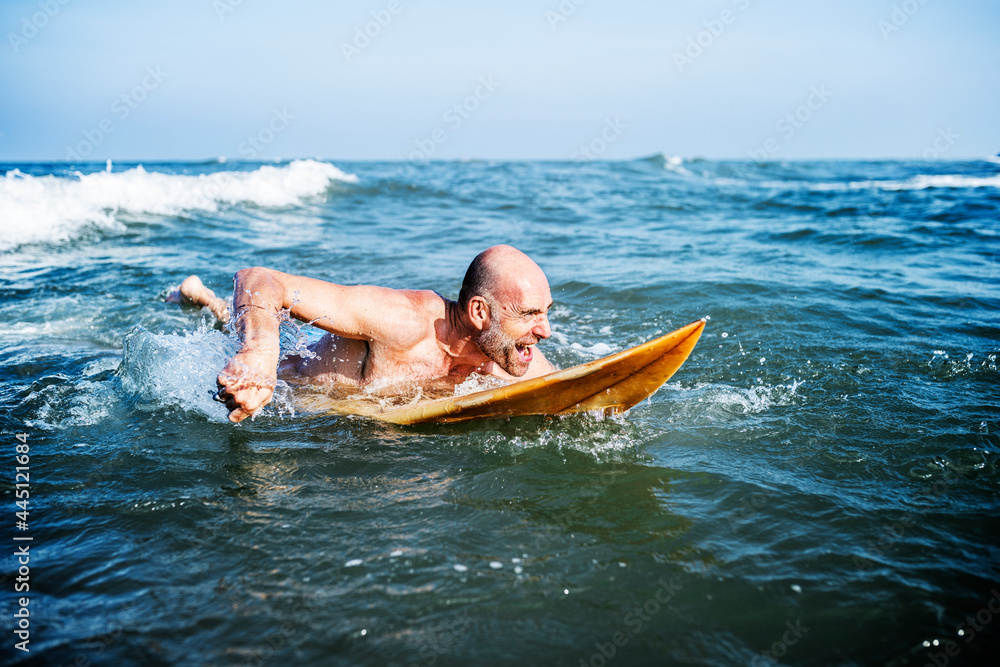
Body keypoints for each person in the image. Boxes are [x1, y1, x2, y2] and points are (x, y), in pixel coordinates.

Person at [167, 245, 556, 423]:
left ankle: (209, 302)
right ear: (479, 313)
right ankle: (202, 298)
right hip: (296, 393)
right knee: (247, 334)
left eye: (546, 313)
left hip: (362, 412)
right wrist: (258, 354)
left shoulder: (505, 354)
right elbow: (258, 279)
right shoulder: (402, 321)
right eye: (530, 314)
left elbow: (574, 388)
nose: (546, 330)